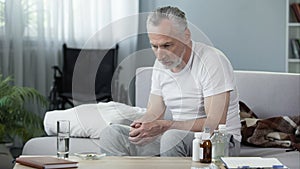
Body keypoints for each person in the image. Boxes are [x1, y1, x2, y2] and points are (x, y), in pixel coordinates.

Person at [99, 6, 241, 157]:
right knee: (112, 134)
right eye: (154, 46)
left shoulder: (212, 60)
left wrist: (166, 127)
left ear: (186, 36)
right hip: (177, 138)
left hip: (219, 140)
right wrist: (143, 125)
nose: (160, 55)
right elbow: (154, 112)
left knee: (172, 137)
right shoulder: (160, 65)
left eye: (167, 45)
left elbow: (215, 123)